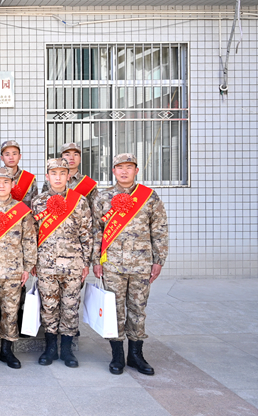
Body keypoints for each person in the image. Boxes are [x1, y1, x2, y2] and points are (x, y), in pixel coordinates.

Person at [92, 153, 169, 376]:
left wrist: (158, 260)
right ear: (113, 171)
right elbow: (97, 231)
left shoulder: (149, 197)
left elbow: (159, 229)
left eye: (129, 167)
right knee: (114, 310)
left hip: (141, 264)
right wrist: (96, 260)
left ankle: (136, 355)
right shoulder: (103, 197)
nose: (124, 171)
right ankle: (117, 355)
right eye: (120, 167)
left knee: (137, 309)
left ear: (136, 170)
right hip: (112, 264)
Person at [31, 158, 92, 368]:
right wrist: (33, 261)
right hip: (46, 264)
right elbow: (32, 234)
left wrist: (86, 263)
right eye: (53, 173)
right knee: (49, 306)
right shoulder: (38, 202)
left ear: (68, 176)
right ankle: (50, 348)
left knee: (71, 306)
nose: (58, 177)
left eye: (62, 173)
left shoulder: (79, 201)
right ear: (47, 176)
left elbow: (86, 234)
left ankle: (66, 349)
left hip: (73, 264)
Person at [0, 167, 37, 369]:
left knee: (11, 310)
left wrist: (28, 267)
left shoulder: (22, 210)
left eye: (6, 181)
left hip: (13, 270)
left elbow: (29, 240)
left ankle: (7, 350)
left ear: (13, 184)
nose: (2, 185)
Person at [0, 140, 37, 207]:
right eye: (7, 154)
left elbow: (34, 205)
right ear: (2, 158)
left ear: (20, 156)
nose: (11, 157)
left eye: (14, 154)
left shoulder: (29, 179)